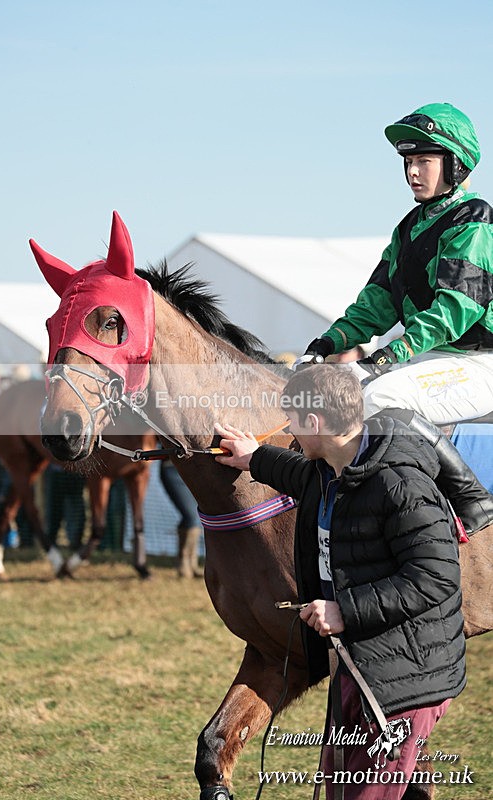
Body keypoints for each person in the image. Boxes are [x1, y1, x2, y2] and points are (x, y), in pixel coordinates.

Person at [215, 365, 466, 800]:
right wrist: (252, 456)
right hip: (360, 663)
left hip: (405, 675)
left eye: (292, 421)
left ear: (314, 423)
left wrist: (343, 611)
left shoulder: (400, 484)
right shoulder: (332, 468)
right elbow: (297, 473)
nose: (288, 433)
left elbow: (435, 577)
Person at [296, 102, 493, 535]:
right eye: (408, 161)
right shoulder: (407, 228)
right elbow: (376, 303)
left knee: (377, 398)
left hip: (479, 362)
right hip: (432, 358)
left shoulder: (474, 220)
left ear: (455, 164)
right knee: (336, 399)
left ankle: (471, 498)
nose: (413, 172)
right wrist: (327, 344)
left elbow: (455, 308)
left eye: (424, 160)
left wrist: (394, 353)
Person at [160, 458, 203, 578]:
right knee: (190, 515)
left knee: (196, 515)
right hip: (172, 468)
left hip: (193, 469)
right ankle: (183, 562)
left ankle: (192, 565)